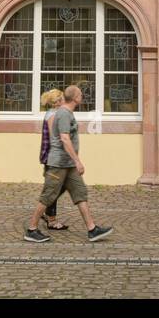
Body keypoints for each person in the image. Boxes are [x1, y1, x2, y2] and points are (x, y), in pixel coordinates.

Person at [25, 86, 113, 243]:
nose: (82, 96)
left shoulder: (66, 112)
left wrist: (74, 162)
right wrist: (78, 161)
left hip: (68, 164)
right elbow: (64, 138)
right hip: (58, 164)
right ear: (75, 98)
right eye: (80, 94)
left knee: (80, 193)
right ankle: (31, 229)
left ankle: (92, 229)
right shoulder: (63, 114)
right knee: (48, 196)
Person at [37, 89, 69, 230]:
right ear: (57, 102)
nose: (64, 101)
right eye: (62, 99)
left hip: (55, 156)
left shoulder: (55, 114)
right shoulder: (52, 116)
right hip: (53, 157)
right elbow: (54, 138)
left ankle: (48, 213)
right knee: (54, 188)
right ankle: (50, 219)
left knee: (58, 186)